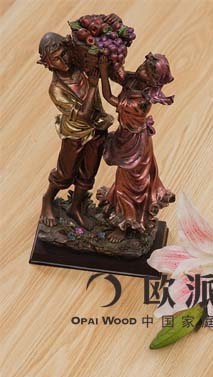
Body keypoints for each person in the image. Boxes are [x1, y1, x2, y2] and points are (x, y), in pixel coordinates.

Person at [37, 32, 113, 229]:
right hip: (75, 136)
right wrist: (93, 86)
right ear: (48, 64)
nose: (64, 60)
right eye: (56, 59)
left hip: (97, 129)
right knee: (65, 174)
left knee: (88, 173)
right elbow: (83, 116)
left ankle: (75, 207)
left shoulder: (80, 67)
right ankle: (47, 199)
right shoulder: (56, 89)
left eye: (64, 53)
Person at [97, 53, 175, 243]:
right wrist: (113, 60)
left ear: (153, 81)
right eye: (143, 65)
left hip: (135, 145)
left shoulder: (141, 102)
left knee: (131, 183)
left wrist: (103, 72)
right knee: (124, 178)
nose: (141, 69)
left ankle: (127, 223)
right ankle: (121, 209)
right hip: (127, 137)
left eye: (147, 71)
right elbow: (120, 75)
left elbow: (109, 97)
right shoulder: (134, 81)